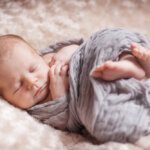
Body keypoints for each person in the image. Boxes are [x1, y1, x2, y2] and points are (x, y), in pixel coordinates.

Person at [0, 28, 150, 143]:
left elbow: (78, 47)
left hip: (93, 62)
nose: (31, 82)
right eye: (18, 86)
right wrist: (58, 93)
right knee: (98, 120)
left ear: (38, 56)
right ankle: (132, 70)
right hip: (91, 92)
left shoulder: (49, 58)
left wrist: (64, 55)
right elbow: (69, 124)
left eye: (32, 69)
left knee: (104, 45)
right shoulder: (38, 112)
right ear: (6, 99)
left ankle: (129, 63)